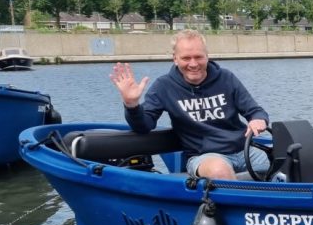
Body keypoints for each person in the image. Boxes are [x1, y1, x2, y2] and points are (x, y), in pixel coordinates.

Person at [109, 29, 270, 180]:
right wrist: (132, 105)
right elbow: (144, 126)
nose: (193, 64)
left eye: (198, 57)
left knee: (287, 162)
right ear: (175, 59)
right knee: (219, 171)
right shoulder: (164, 86)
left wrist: (258, 119)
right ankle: (239, 208)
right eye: (186, 58)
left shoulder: (226, 78)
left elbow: (255, 111)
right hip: (204, 157)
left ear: (207, 56)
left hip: (244, 150)